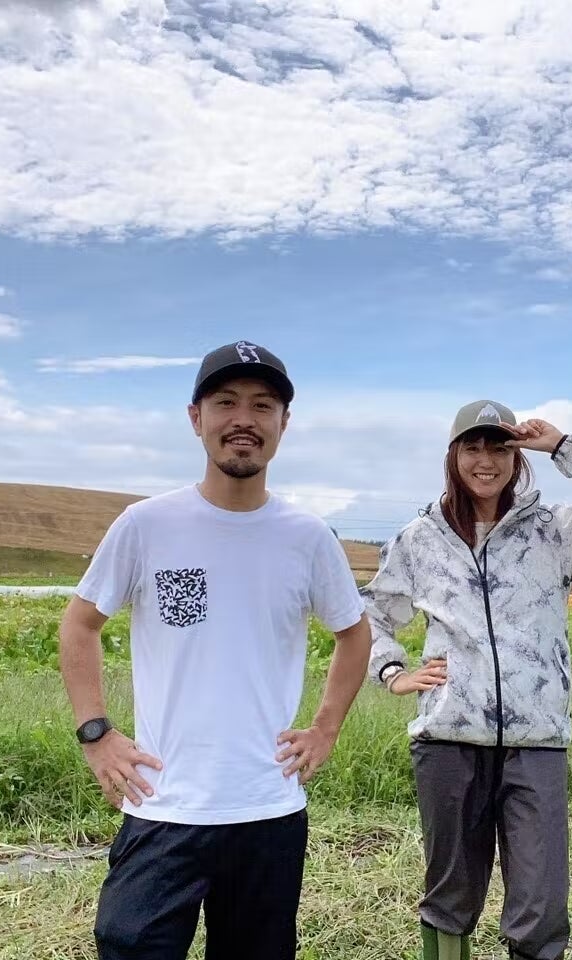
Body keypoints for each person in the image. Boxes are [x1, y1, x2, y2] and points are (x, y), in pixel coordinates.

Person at [58, 340, 372, 960]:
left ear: (283, 423)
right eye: (226, 402)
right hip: (164, 802)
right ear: (195, 417)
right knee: (128, 944)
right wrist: (96, 733)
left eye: (263, 405)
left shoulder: (307, 537)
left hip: (267, 807)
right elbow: (79, 625)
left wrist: (326, 729)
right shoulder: (147, 525)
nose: (244, 419)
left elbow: (354, 633)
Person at [363, 400, 572, 960]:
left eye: (499, 448)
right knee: (451, 892)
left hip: (536, 739)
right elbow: (372, 612)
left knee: (541, 900)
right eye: (472, 448)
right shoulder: (420, 538)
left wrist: (564, 446)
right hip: (449, 738)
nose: (486, 461)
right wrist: (393, 672)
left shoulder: (554, 531)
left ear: (518, 457)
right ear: (453, 456)